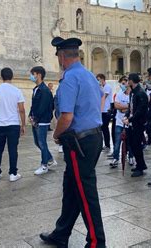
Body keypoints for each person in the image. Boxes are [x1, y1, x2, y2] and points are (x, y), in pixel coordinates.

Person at [40, 37, 105, 248]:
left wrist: (56, 134)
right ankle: (61, 234)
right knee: (71, 188)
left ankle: (97, 242)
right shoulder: (88, 75)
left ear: (61, 56)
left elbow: (66, 117)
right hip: (93, 137)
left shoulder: (69, 78)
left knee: (85, 193)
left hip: (79, 142)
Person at [0, 67, 26, 182]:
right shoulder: (17, 91)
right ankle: (13, 173)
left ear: (1, 77)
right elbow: (21, 109)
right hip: (13, 124)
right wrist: (23, 124)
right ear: (12, 76)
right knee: (12, 149)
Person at [29, 66, 57, 175]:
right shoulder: (36, 89)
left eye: (33, 74)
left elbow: (43, 107)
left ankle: (44, 164)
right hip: (36, 120)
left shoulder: (45, 90)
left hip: (42, 120)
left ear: (39, 75)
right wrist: (30, 115)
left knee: (42, 142)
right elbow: (34, 105)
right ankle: (49, 159)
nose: (31, 76)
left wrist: (35, 118)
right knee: (38, 142)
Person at [123, 73, 148, 177]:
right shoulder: (133, 92)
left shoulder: (140, 93)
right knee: (133, 145)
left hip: (138, 123)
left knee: (136, 145)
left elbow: (140, 110)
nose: (127, 81)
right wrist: (127, 115)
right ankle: (140, 164)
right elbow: (131, 107)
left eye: (128, 80)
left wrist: (130, 119)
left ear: (132, 81)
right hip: (133, 122)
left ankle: (141, 167)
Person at [109, 76, 133, 168]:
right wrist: (127, 107)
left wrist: (124, 108)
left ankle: (131, 157)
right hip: (119, 122)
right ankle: (115, 158)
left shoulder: (132, 94)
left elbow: (132, 108)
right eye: (122, 83)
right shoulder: (119, 94)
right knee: (117, 141)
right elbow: (116, 106)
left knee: (130, 141)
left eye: (124, 83)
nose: (122, 85)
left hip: (129, 121)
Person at [97, 73, 112, 152]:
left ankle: (107, 144)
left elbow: (103, 97)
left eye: (99, 79)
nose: (98, 81)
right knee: (101, 128)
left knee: (105, 128)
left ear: (102, 79)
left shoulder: (107, 87)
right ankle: (103, 144)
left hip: (106, 110)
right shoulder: (101, 87)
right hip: (101, 110)